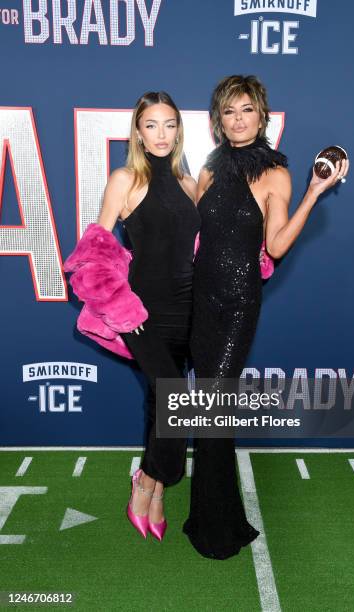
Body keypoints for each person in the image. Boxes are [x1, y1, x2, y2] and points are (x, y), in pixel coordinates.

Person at [182, 74, 349, 559]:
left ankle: (218, 530)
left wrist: (313, 194)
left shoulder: (276, 173)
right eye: (229, 112)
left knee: (213, 410)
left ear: (262, 116)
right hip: (201, 298)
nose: (237, 120)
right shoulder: (211, 167)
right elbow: (195, 235)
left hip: (237, 304)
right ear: (219, 120)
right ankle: (215, 516)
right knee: (206, 414)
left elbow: (275, 246)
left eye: (246, 110)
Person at [66, 91, 200, 541]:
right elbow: (95, 251)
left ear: (179, 130)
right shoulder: (125, 178)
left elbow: (200, 252)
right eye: (151, 125)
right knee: (176, 398)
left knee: (158, 405)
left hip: (186, 311)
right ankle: (145, 480)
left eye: (169, 124)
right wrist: (120, 307)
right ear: (138, 133)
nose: (161, 134)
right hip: (141, 313)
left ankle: (155, 491)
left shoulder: (189, 183)